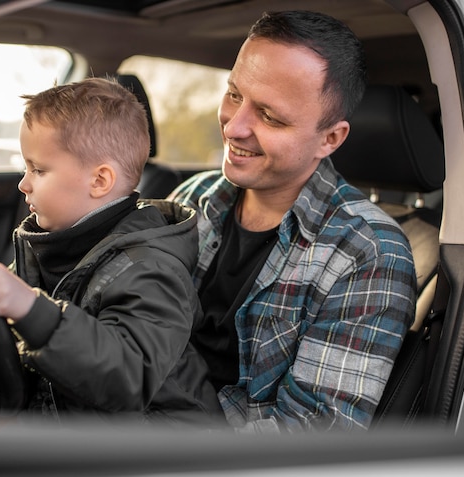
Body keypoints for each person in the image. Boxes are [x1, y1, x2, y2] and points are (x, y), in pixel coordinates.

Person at [168, 10, 417, 432]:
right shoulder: (193, 197)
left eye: (270, 116)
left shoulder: (368, 252)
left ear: (330, 138)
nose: (234, 127)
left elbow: (308, 436)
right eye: (233, 95)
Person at [0, 77, 222, 427]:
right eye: (26, 167)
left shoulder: (152, 268)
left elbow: (127, 379)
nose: (23, 183)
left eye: (39, 170)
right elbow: (38, 368)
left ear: (99, 181)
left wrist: (33, 311)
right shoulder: (43, 250)